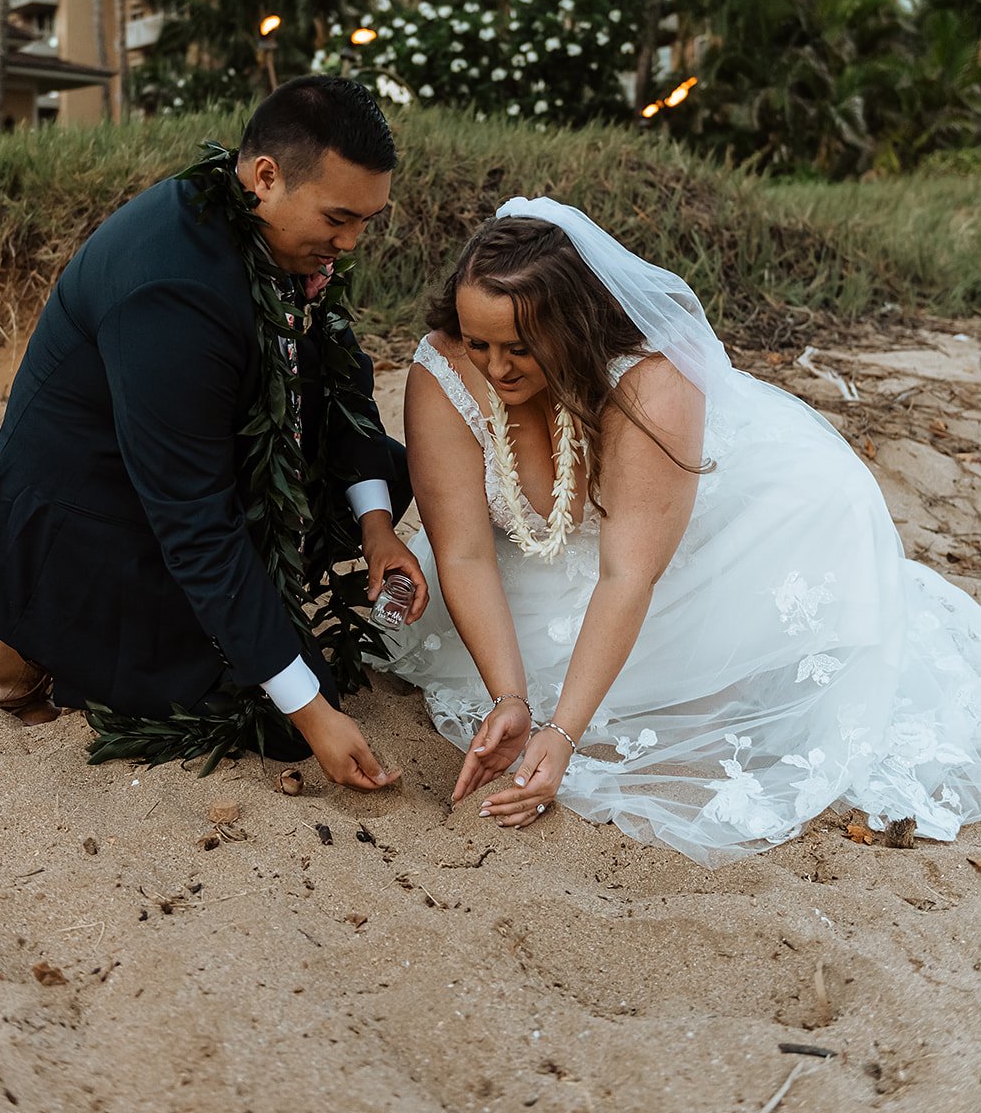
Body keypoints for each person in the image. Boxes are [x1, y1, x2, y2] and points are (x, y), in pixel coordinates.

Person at [382, 196, 981, 865]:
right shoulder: (442, 369)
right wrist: (512, 697)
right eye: (479, 342)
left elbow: (628, 571)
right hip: (551, 562)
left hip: (715, 545)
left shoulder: (651, 377)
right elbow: (462, 552)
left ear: (575, 326)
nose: (496, 369)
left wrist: (561, 732)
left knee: (707, 689)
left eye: (521, 347)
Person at [0, 76, 428, 792]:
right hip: (96, 516)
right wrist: (310, 712)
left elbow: (342, 376)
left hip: (202, 462)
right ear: (265, 177)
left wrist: (376, 529)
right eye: (339, 217)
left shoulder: (278, 232)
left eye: (367, 220)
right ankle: (28, 634)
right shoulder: (172, 289)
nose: (351, 243)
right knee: (279, 725)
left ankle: (247, 617)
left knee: (386, 471)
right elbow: (194, 521)